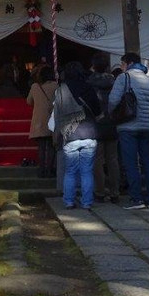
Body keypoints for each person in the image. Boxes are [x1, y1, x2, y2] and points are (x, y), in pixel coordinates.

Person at [109, 52, 149, 210]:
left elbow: (113, 100)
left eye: (122, 64)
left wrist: (114, 116)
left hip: (127, 127)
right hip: (147, 127)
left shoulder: (123, 78)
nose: (121, 67)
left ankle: (136, 198)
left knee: (131, 164)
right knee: (148, 163)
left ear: (127, 64)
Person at [52, 61, 100, 209]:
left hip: (70, 133)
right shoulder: (89, 88)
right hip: (89, 132)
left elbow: (57, 115)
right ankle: (87, 202)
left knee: (70, 171)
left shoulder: (61, 90)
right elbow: (97, 110)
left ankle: (69, 201)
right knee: (87, 171)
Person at [87, 51, 120, 203]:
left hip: (96, 123)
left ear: (93, 66)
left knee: (97, 160)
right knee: (113, 159)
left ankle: (100, 191)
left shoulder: (89, 82)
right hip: (112, 121)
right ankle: (115, 191)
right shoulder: (115, 81)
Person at [27, 66, 59, 178]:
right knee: (51, 146)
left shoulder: (35, 87)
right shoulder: (56, 86)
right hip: (52, 120)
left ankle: (41, 170)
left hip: (39, 121)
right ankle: (50, 169)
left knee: (41, 147)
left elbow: (29, 101)